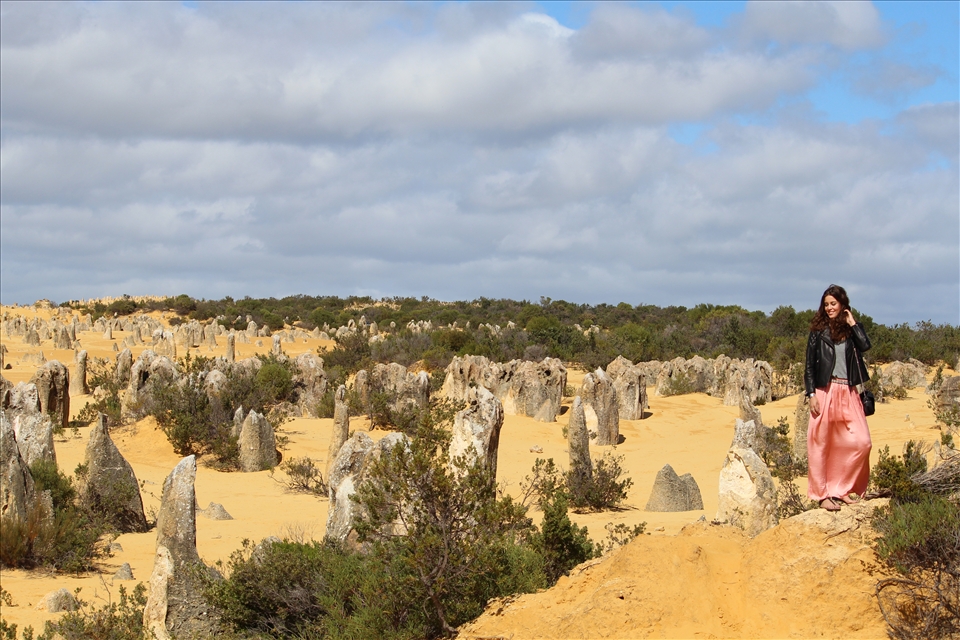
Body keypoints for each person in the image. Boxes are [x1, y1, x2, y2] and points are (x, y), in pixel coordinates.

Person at [804, 284, 872, 511]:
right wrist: (811, 393)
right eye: (826, 304)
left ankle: (841, 489)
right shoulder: (817, 331)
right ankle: (822, 494)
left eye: (833, 303)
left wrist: (853, 323)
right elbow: (809, 367)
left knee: (862, 442)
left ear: (843, 304)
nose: (830, 308)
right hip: (826, 390)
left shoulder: (851, 330)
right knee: (821, 444)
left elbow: (866, 346)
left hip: (849, 392)